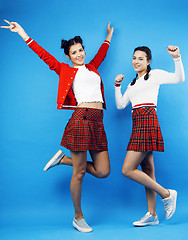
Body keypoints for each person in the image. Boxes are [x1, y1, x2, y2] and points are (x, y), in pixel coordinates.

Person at [1, 19, 114, 232]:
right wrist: (22, 33)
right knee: (79, 172)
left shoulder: (92, 68)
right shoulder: (65, 70)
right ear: (68, 56)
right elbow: (43, 55)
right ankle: (78, 217)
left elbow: (102, 53)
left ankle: (63, 159)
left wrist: (108, 35)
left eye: (81, 50)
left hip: (98, 122)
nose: (79, 54)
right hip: (81, 119)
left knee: (103, 171)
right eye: (74, 53)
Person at [114, 45, 185, 226]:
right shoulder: (132, 84)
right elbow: (121, 105)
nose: (136, 61)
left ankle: (167, 194)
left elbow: (179, 78)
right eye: (134, 58)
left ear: (148, 61)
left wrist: (176, 58)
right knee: (148, 170)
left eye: (140, 58)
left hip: (148, 122)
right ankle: (152, 215)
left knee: (127, 169)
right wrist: (117, 86)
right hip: (137, 124)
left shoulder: (154, 75)